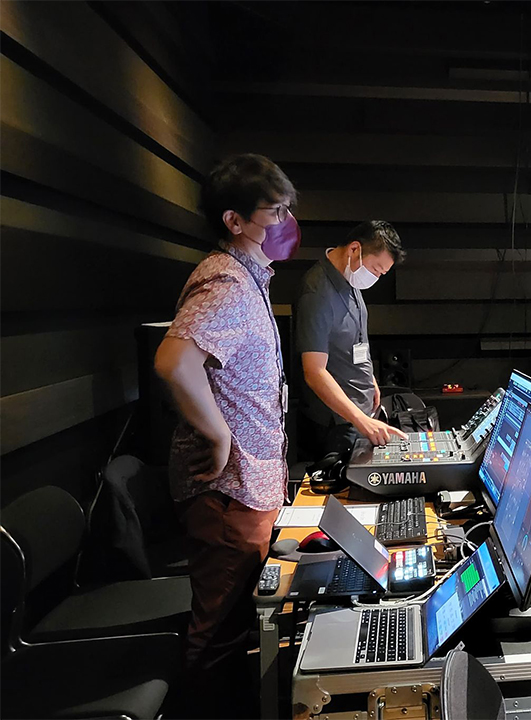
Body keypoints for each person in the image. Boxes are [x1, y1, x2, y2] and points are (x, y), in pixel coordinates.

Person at [154, 154, 299, 715]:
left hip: (249, 486)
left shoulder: (247, 277)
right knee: (217, 637)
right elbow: (174, 361)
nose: (286, 224)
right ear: (235, 221)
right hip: (228, 490)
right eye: (276, 212)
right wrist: (217, 437)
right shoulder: (227, 282)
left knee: (237, 628)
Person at [294, 221, 408, 458]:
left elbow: (355, 340)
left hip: (361, 412)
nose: (377, 277)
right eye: (376, 269)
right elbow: (314, 372)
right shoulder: (317, 293)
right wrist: (361, 420)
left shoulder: (350, 278)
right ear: (354, 249)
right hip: (337, 424)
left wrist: (371, 381)